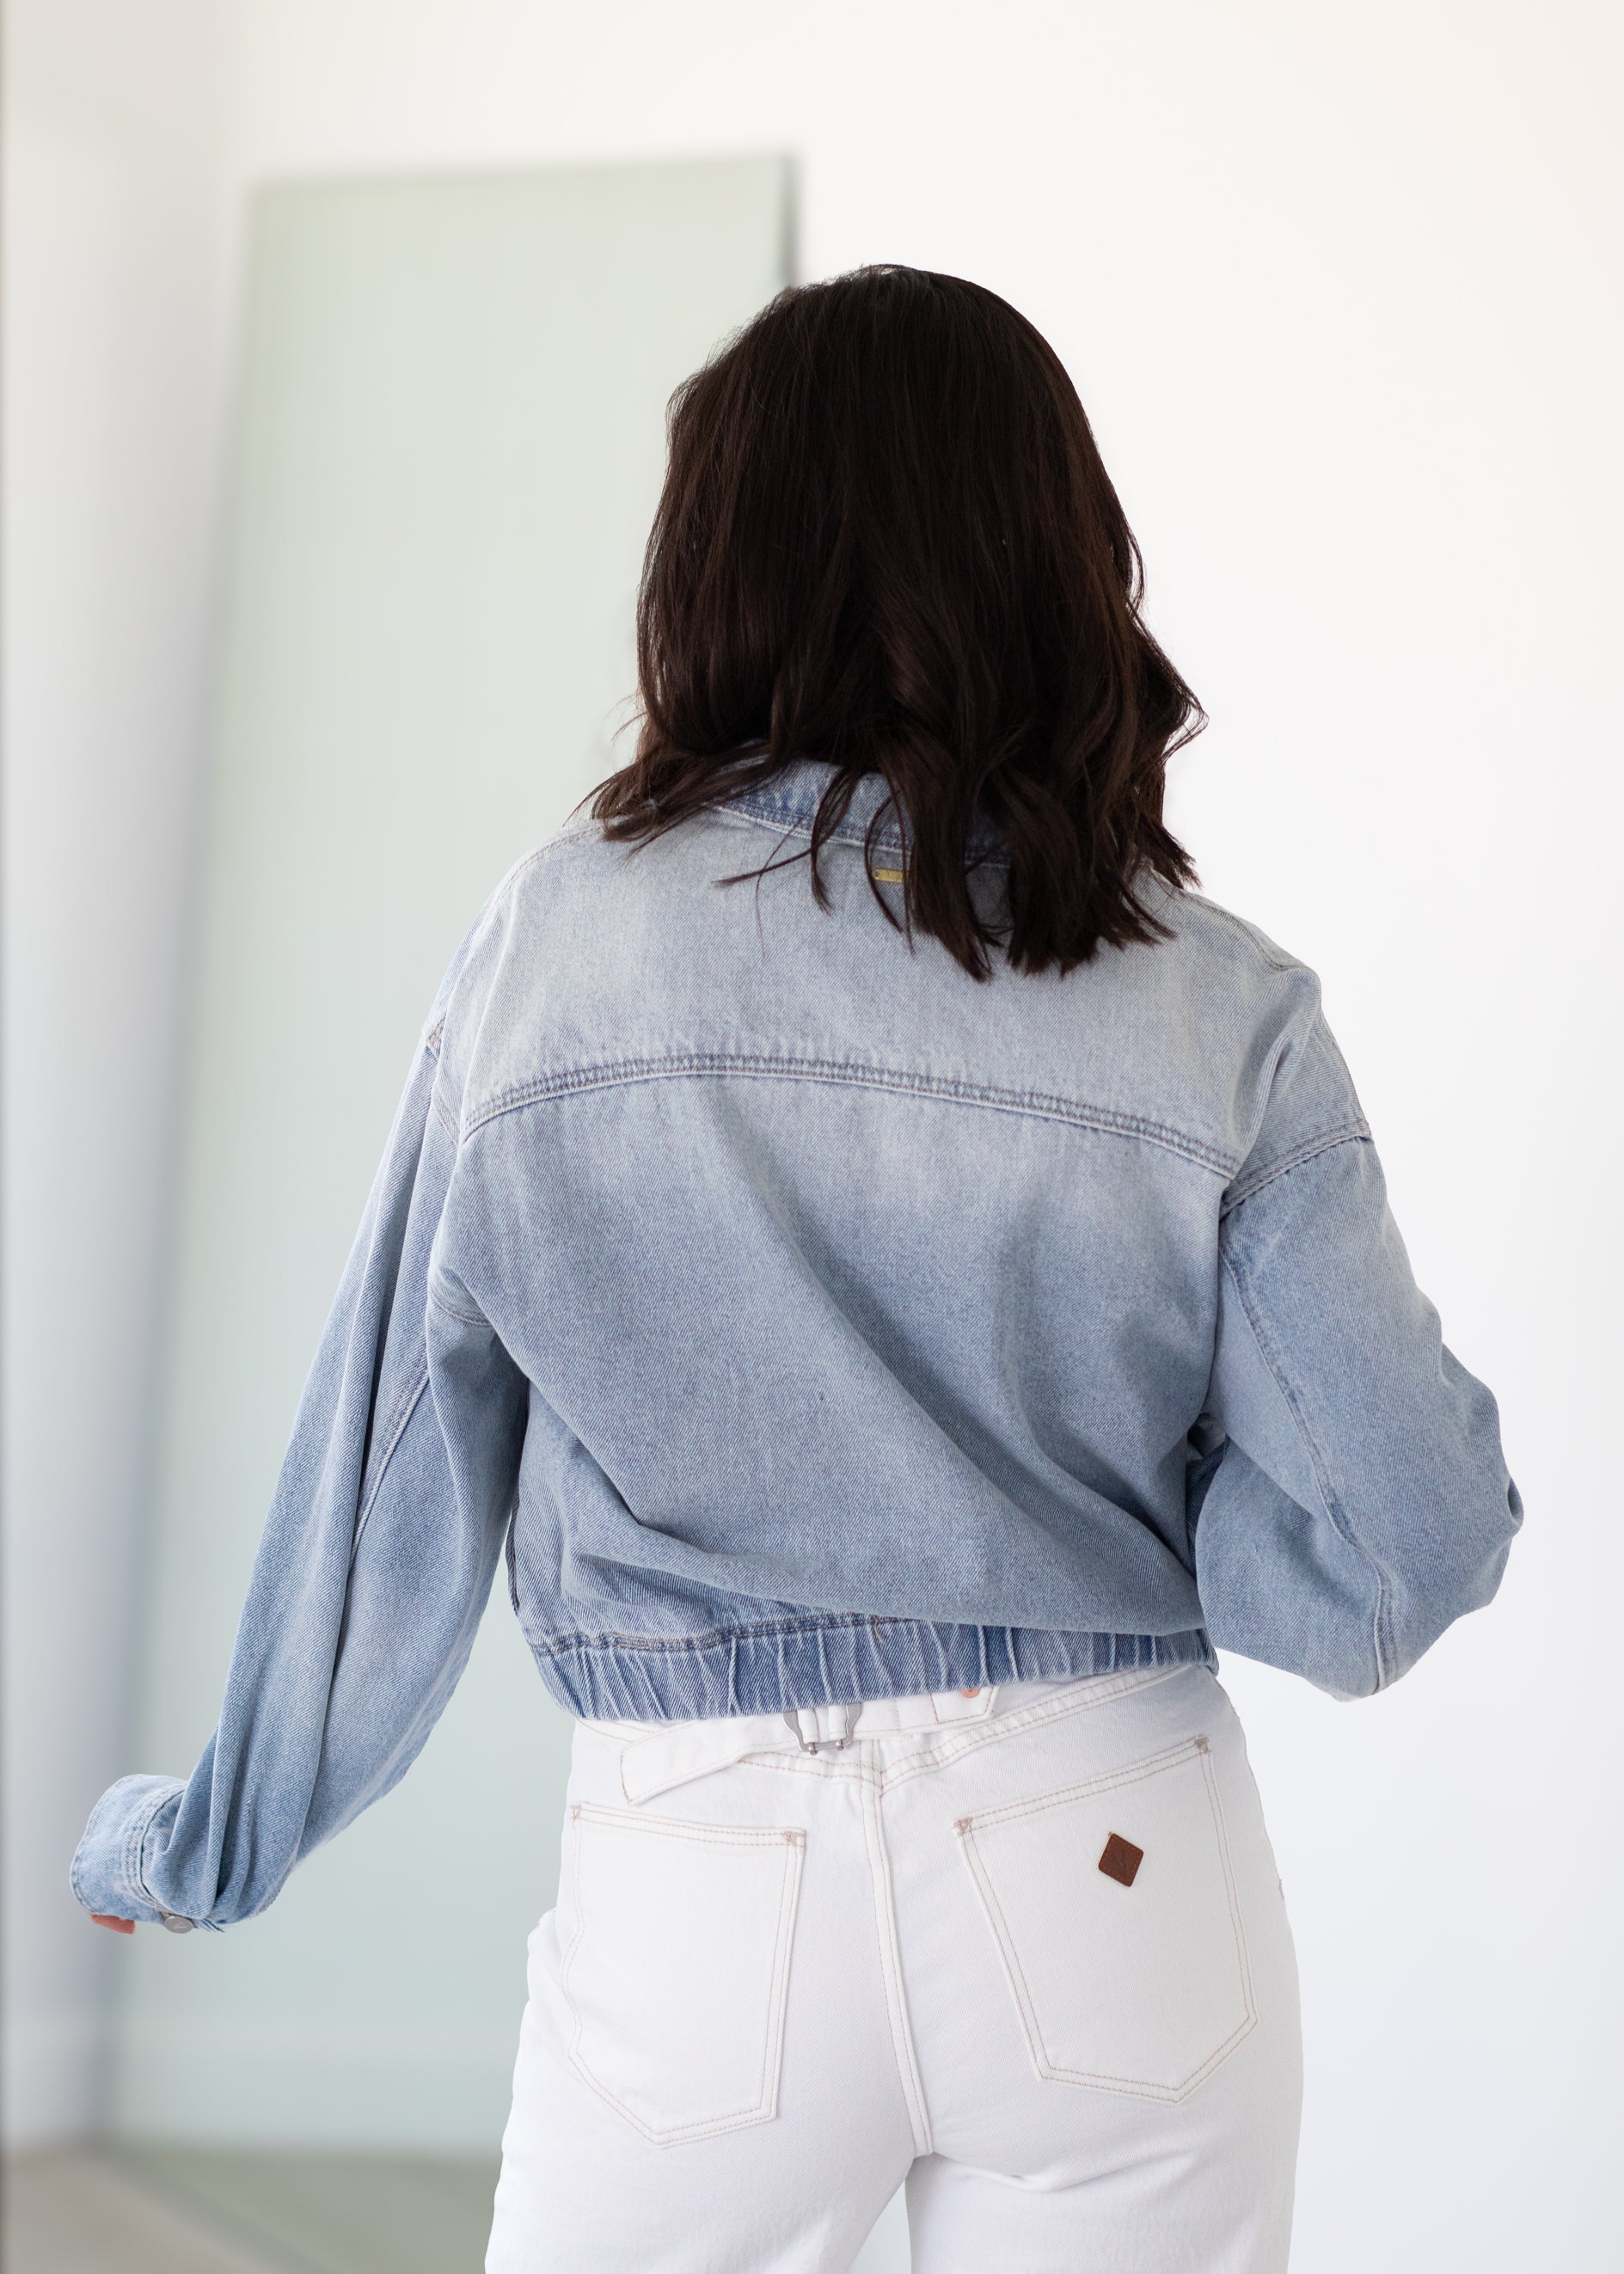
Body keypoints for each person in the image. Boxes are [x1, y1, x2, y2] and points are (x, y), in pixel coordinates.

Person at [71, 265, 1521, 2272]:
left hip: (703, 1882)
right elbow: (1408, 1547)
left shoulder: (555, 946)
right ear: (1063, 557)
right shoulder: (1221, 1008)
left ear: (716, 561)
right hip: (1116, 1868)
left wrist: (214, 1835)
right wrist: (1128, 1533)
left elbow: (395, 1457)